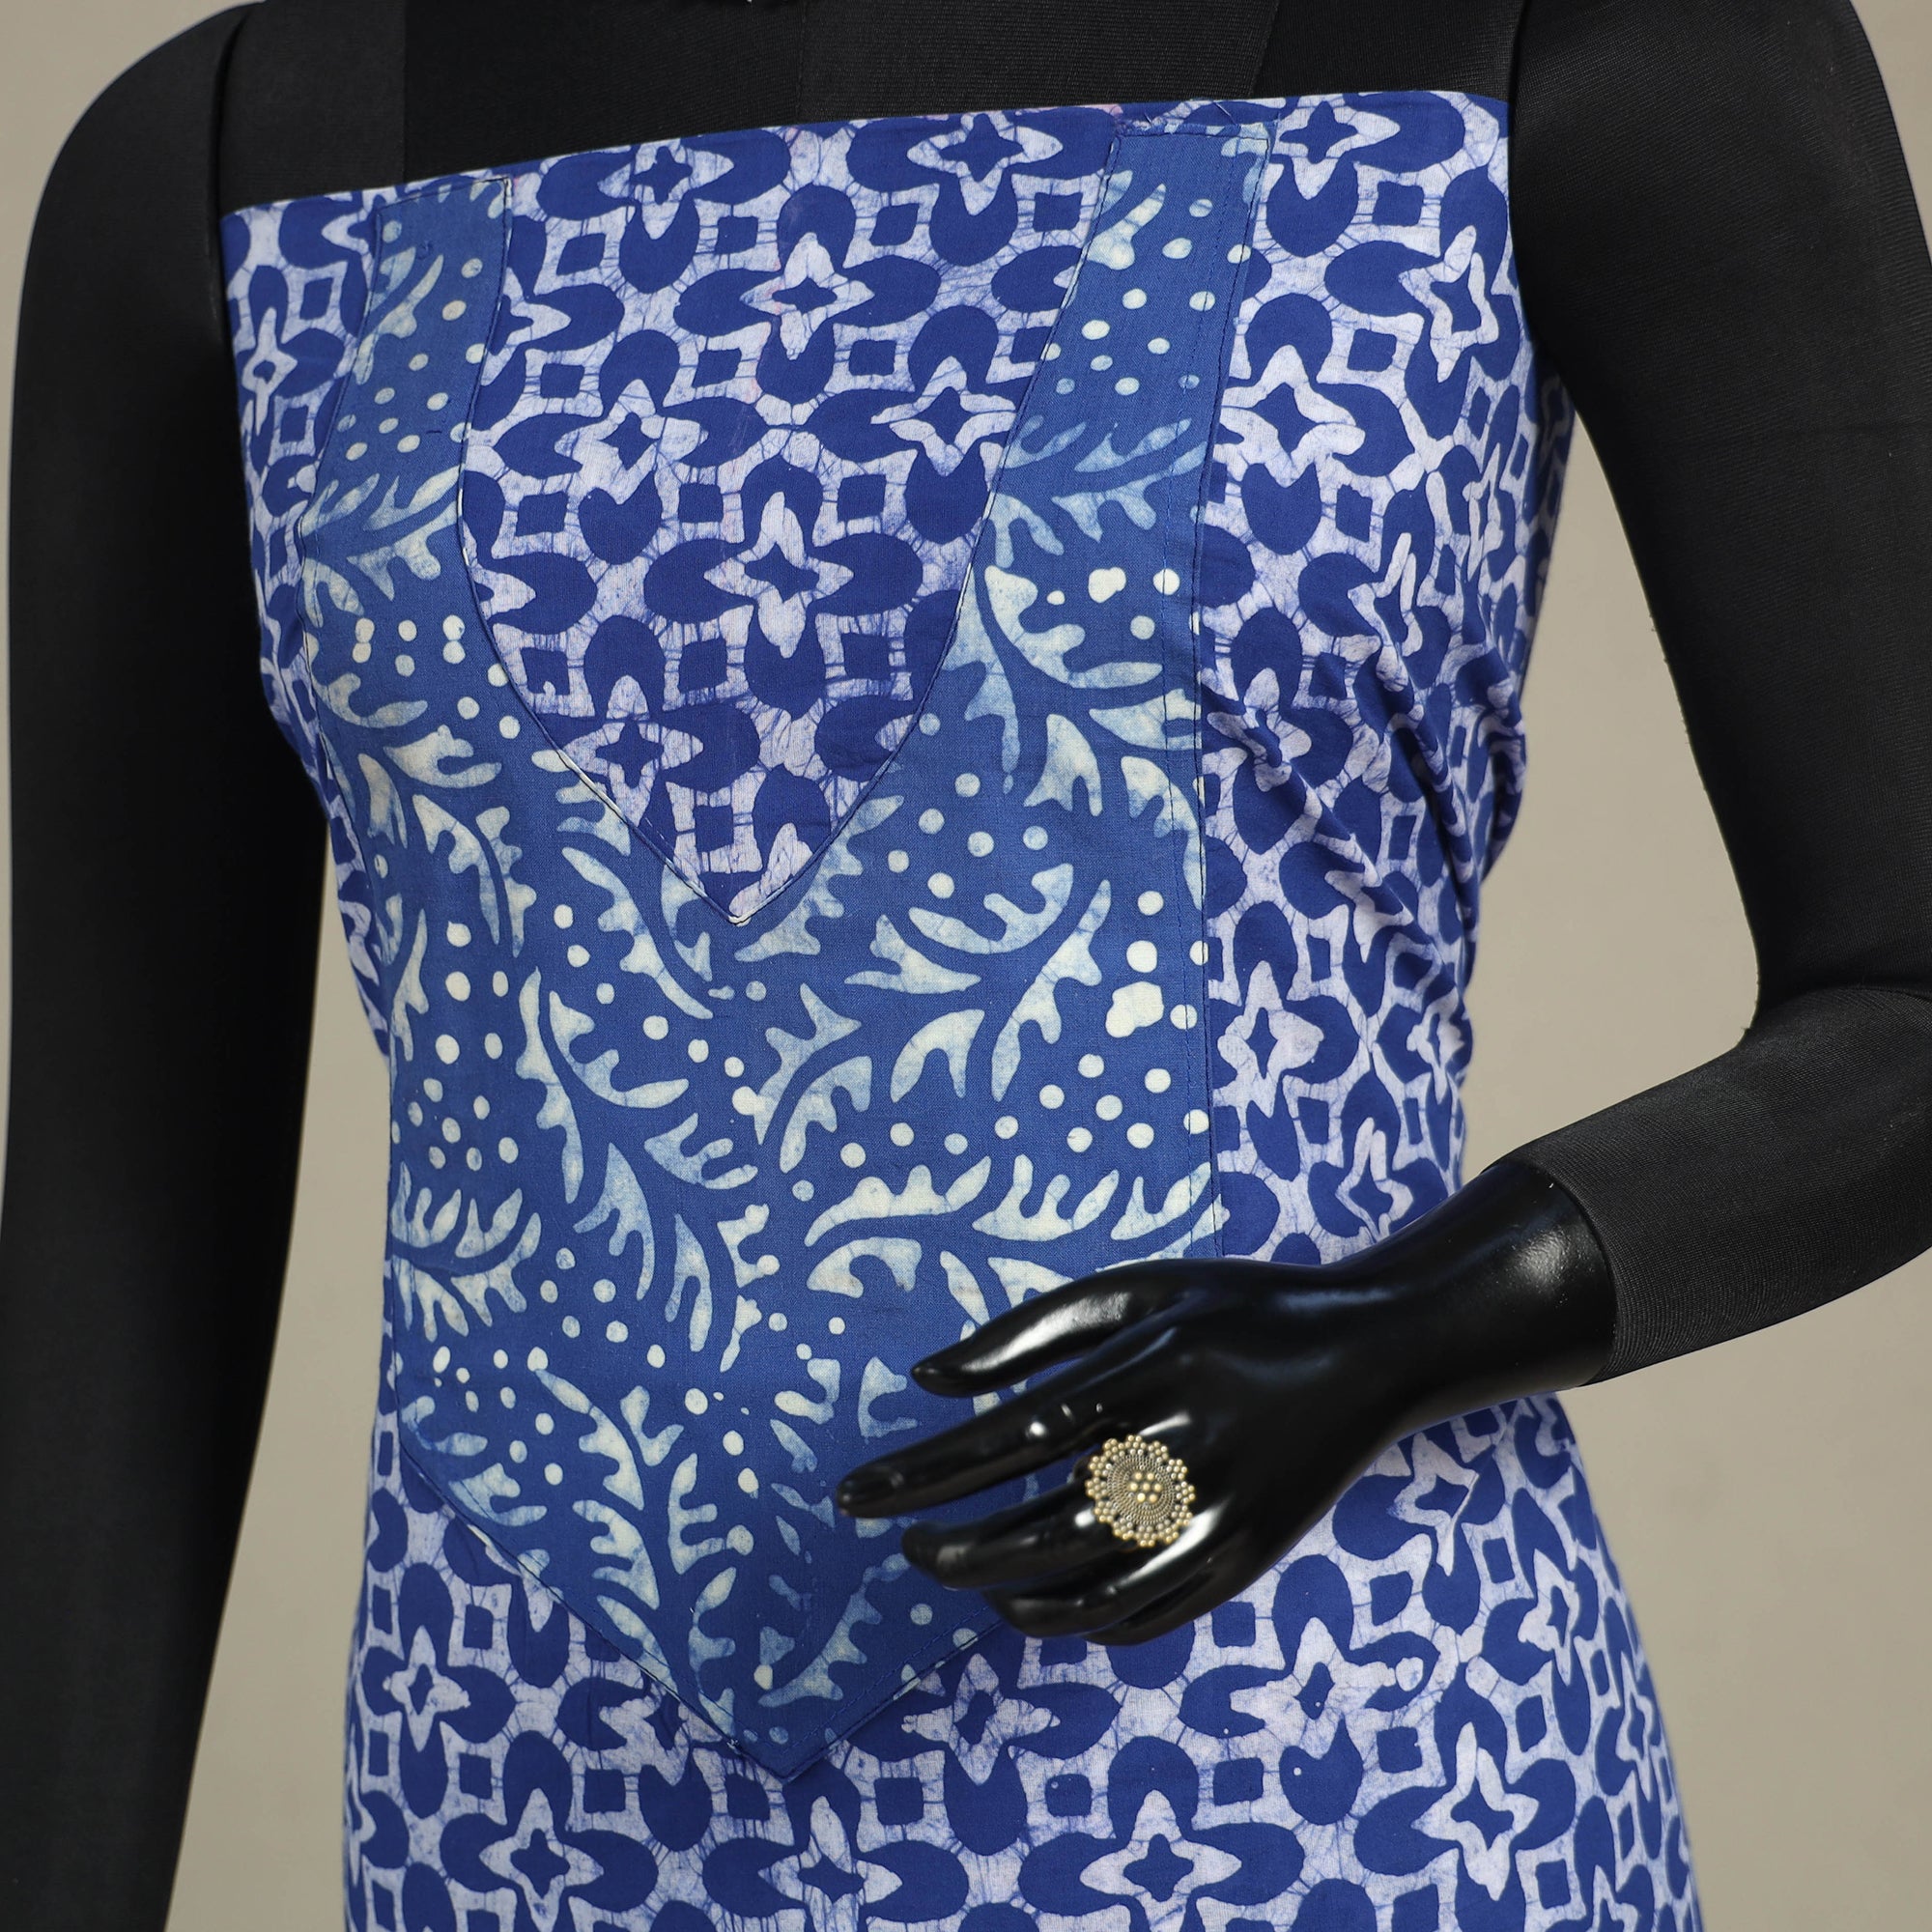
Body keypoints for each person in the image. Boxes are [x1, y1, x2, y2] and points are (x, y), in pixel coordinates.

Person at [6, 2, 1930, 1926]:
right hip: (515, 1830)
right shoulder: (247, 147)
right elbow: (120, 1220)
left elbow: (1905, 998)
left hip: (1322, 1783)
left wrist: (1398, 1324)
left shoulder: (1572, 39)